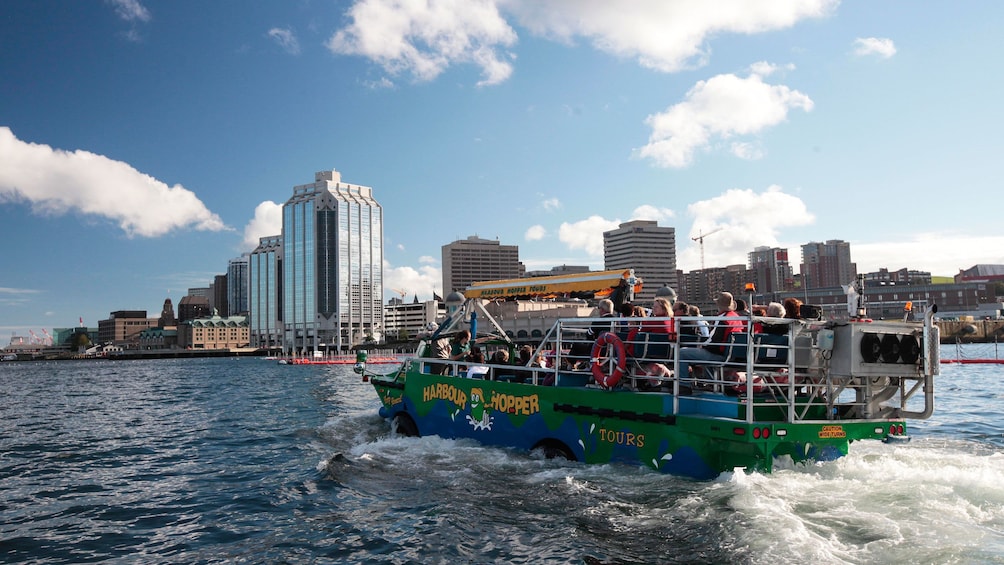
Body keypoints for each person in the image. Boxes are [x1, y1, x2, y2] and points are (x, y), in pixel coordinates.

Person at [675, 292, 744, 386]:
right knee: (695, 353)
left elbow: (714, 341)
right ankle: (710, 382)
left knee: (681, 353)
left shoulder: (723, 319)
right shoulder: (736, 317)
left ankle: (683, 385)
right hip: (731, 354)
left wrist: (702, 346)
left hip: (720, 355)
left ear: (718, 305)